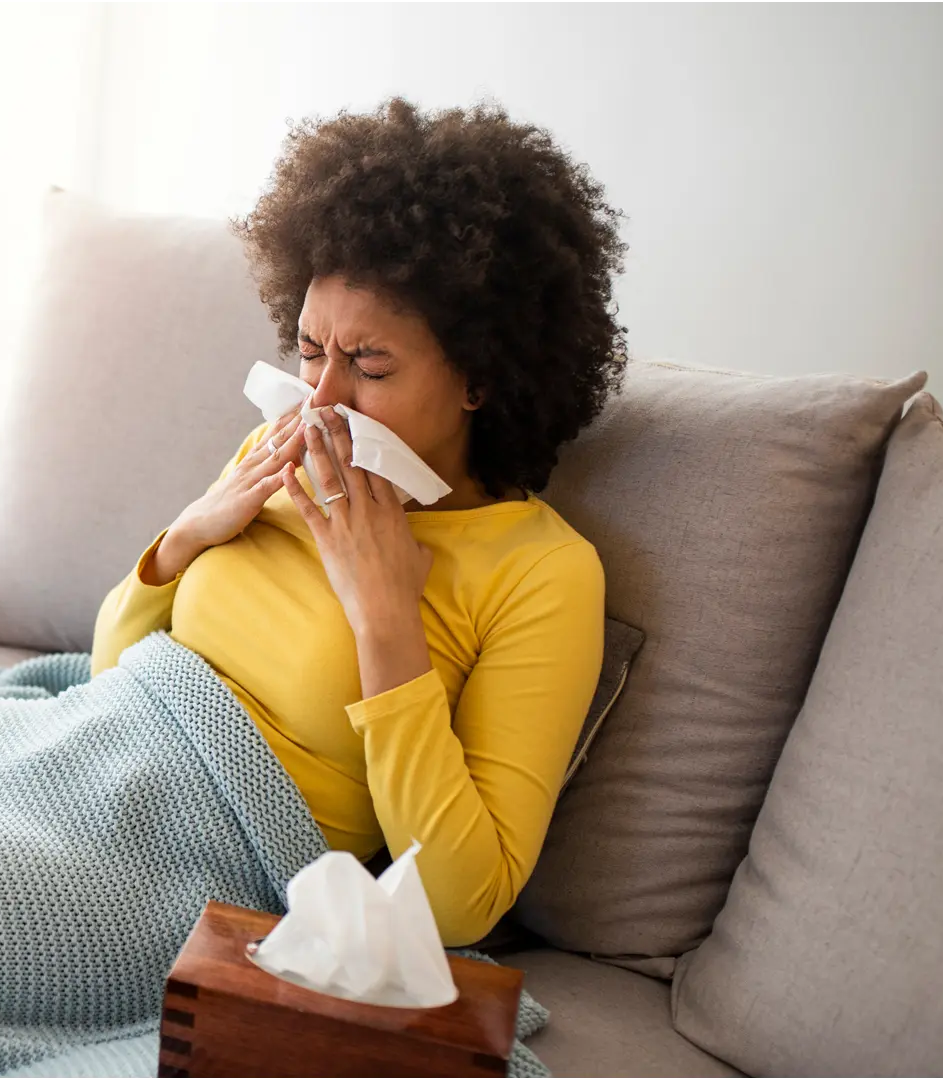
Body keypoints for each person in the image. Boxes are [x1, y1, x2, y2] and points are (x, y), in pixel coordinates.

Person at [91, 96, 630, 948]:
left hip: (186, 874)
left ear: (479, 380)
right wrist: (185, 540)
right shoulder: (275, 452)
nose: (324, 400)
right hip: (82, 770)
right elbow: (108, 678)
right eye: (309, 351)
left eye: (369, 363)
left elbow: (457, 904)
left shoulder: (539, 573)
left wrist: (386, 622)